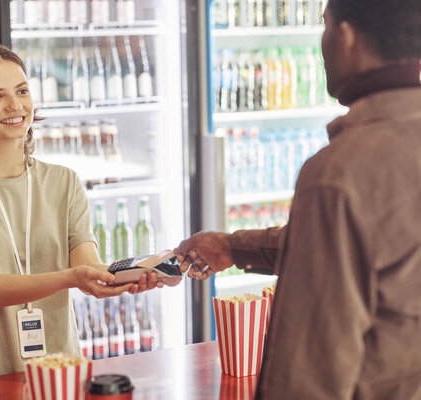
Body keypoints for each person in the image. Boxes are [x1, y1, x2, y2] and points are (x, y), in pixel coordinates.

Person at [175, 0, 421, 398]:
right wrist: (232, 247)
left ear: (346, 37)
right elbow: (366, 247)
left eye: (324, 27)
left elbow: (308, 371)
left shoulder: (339, 174)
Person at [0, 44, 159, 382]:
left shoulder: (65, 183)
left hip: (60, 370)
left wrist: (129, 275)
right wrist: (72, 277)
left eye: (22, 91)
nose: (15, 105)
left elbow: (88, 270)